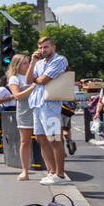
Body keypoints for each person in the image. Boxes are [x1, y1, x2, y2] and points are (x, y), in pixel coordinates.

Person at [27, 34, 70, 186]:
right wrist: (32, 61)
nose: (42, 50)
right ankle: (51, 171)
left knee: (54, 139)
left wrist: (36, 79)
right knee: (41, 139)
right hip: (37, 104)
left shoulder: (59, 60)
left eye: (46, 47)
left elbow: (43, 80)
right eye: (40, 47)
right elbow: (28, 80)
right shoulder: (39, 63)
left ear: (53, 47)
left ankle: (60, 174)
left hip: (50, 104)